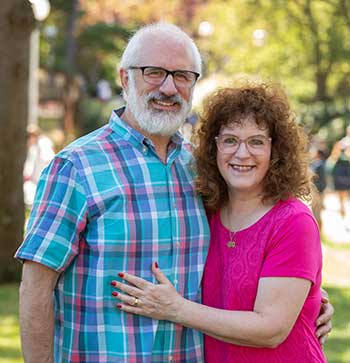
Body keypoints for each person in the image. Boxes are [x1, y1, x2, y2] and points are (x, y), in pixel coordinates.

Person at [15, 23, 332, 363]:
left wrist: (307, 298)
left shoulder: (202, 168)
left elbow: (247, 248)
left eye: (182, 75)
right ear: (125, 78)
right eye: (154, 72)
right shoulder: (76, 167)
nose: (169, 87)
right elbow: (36, 288)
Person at [111, 82, 329, 362]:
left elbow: (271, 329)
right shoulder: (204, 212)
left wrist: (175, 309)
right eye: (229, 140)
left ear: (277, 151)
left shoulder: (292, 221)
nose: (242, 153)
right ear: (213, 148)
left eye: (256, 141)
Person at [23, 124, 55, 207]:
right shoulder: (34, 147)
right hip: (37, 181)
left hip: (41, 181)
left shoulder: (43, 143)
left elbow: (48, 159)